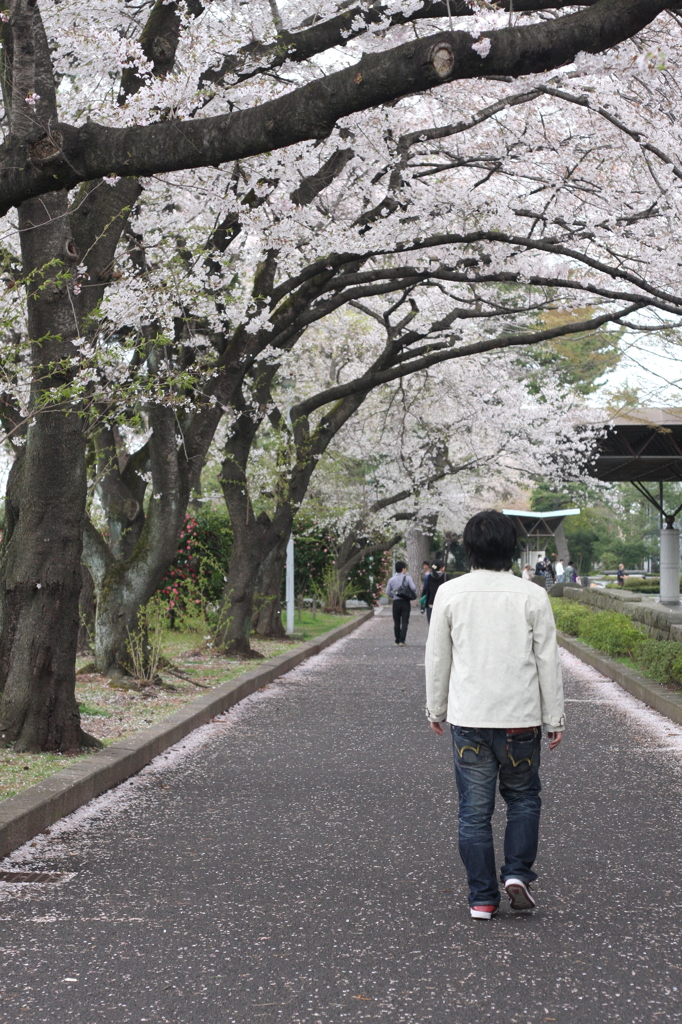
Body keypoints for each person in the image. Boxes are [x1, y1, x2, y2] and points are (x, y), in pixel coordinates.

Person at [425, 509, 565, 921]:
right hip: (520, 717)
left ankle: (482, 898)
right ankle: (517, 873)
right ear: (512, 548)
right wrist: (554, 718)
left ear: (468, 548)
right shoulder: (532, 595)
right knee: (523, 798)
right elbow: (547, 662)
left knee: (473, 810)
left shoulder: (450, 593)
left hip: (470, 717)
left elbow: (438, 659)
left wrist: (436, 708)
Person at [386, 561, 418, 645]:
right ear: (403, 569)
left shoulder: (391, 579)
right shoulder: (407, 578)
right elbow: (414, 588)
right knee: (404, 621)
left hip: (396, 602)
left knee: (396, 622)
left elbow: (387, 592)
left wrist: (394, 596)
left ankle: (397, 640)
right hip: (405, 602)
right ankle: (402, 640)